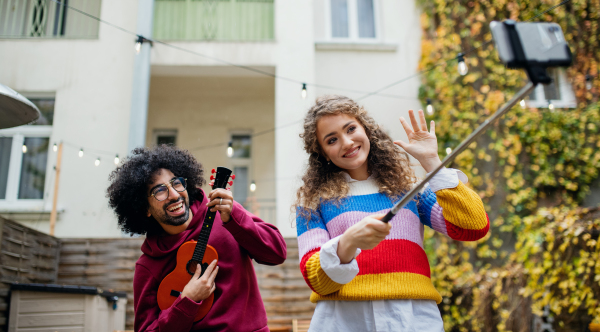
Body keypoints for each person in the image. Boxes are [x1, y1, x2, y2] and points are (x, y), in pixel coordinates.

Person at [295, 95, 489, 331]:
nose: (346, 142)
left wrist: (432, 162)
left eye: (351, 128)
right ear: (323, 153)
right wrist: (348, 242)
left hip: (413, 317)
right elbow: (316, 279)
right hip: (344, 320)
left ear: (365, 129)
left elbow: (473, 227)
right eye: (332, 140)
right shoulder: (313, 203)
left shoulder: (411, 190)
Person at [107, 145, 287, 332]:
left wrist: (236, 217)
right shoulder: (147, 267)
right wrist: (186, 301)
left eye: (176, 183)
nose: (175, 195)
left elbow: (277, 253)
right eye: (160, 191)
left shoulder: (224, 215)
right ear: (145, 208)